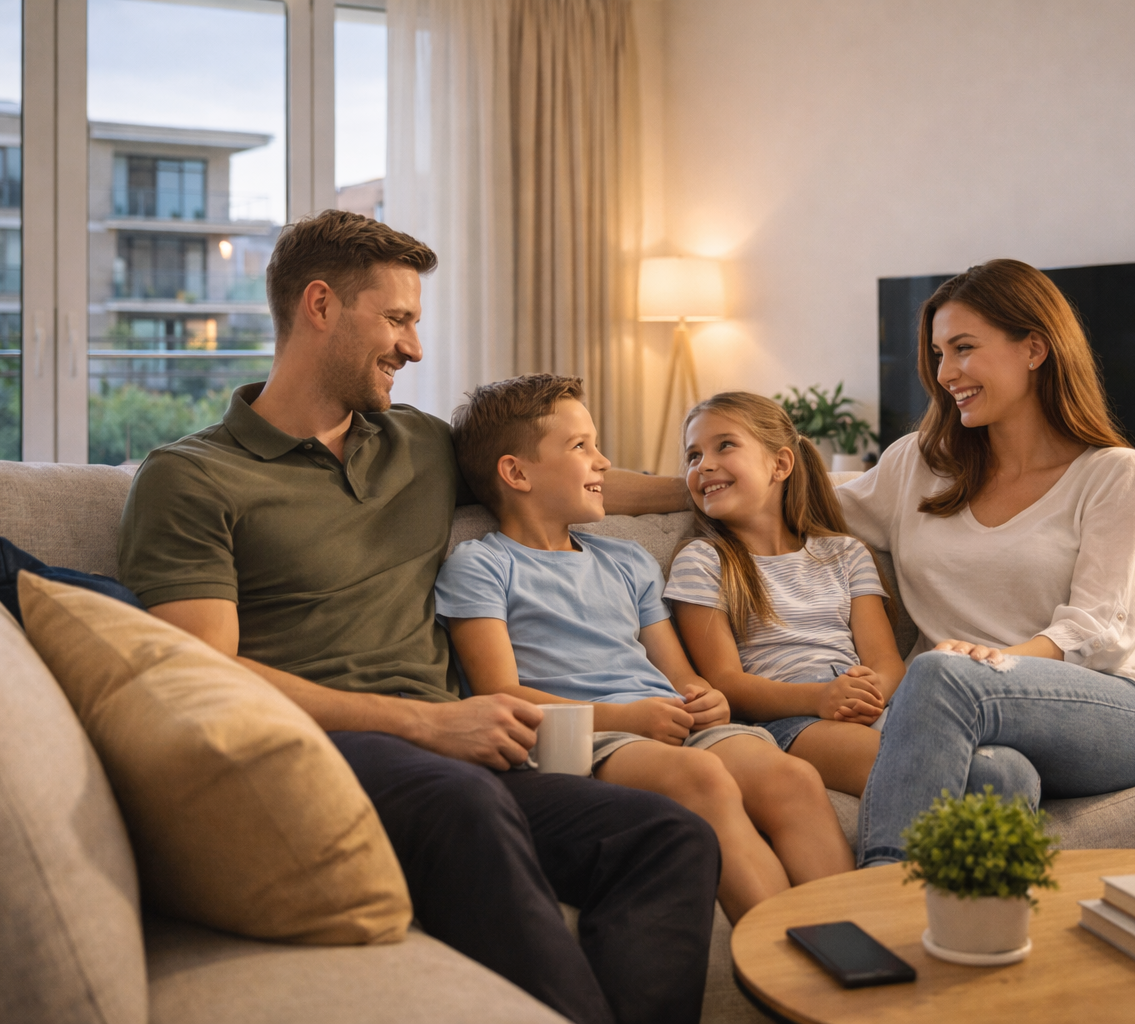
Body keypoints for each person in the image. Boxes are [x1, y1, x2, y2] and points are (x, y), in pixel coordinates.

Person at [117, 210, 719, 1024]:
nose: (415, 348)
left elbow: (573, 481)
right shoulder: (191, 478)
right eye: (397, 319)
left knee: (668, 835)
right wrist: (427, 725)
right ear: (321, 306)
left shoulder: (420, 446)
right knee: (462, 803)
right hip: (329, 753)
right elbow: (202, 674)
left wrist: (719, 490)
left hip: (465, 757)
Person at [436, 375, 854, 923]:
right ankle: (792, 965)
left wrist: (705, 699)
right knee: (701, 780)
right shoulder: (482, 564)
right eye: (579, 446)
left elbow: (681, 677)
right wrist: (629, 717)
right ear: (516, 472)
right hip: (585, 734)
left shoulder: (626, 561)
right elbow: (500, 695)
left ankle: (860, 951)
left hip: (665, 719)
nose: (603, 461)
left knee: (791, 778)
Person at [837, 258, 1135, 867]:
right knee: (999, 777)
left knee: (940, 674)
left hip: (1115, 713)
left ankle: (877, 897)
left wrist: (990, 664)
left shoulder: (1116, 474)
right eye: (938, 354)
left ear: (1035, 348)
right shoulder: (917, 465)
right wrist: (650, 485)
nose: (945, 373)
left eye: (964, 348)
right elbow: (792, 499)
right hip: (967, 706)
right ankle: (988, 942)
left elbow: (1102, 631)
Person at [664, 391, 907, 798]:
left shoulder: (846, 553)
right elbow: (724, 682)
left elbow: (886, 662)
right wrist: (821, 698)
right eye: (692, 456)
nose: (703, 464)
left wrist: (865, 696)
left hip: (864, 706)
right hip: (786, 720)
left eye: (724, 445)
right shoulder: (703, 561)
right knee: (905, 765)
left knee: (998, 767)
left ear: (780, 464)